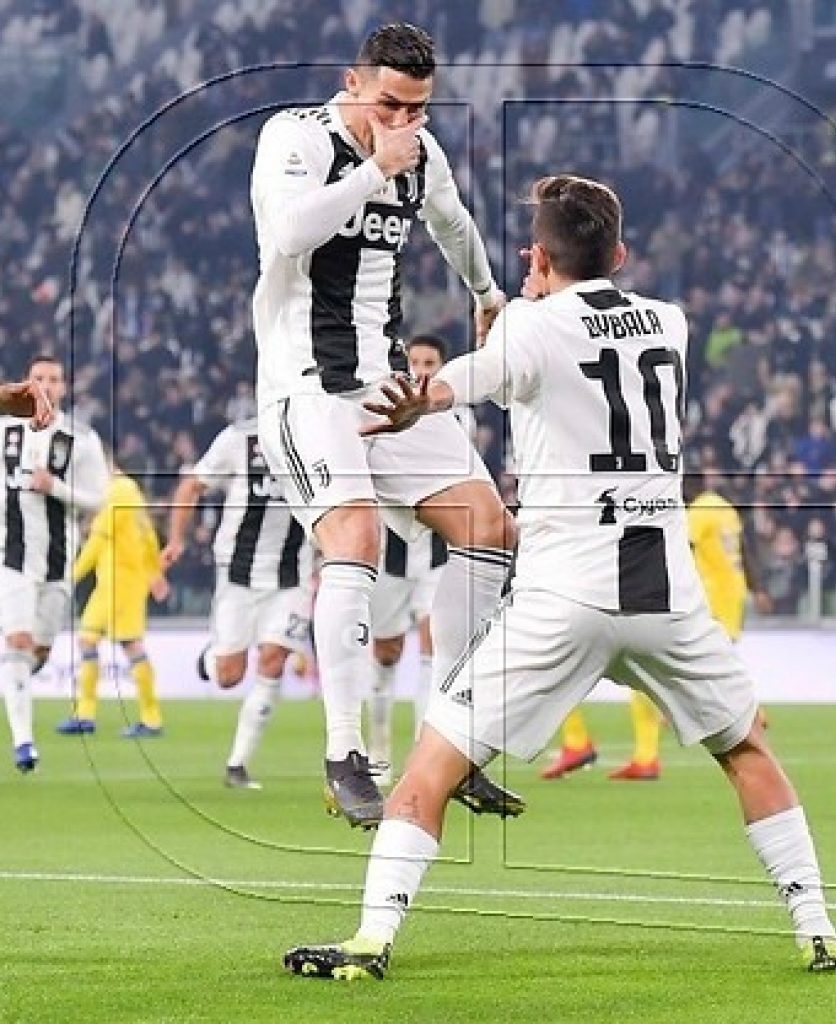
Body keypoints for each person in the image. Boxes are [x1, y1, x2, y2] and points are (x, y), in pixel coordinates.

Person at [282, 174, 836, 979]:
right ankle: (819, 931)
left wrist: (426, 397)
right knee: (748, 750)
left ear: (536, 258)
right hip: (666, 596)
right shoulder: (671, 322)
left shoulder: (530, 326)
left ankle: (370, 941)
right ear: (619, 255)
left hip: (563, 594)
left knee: (428, 770)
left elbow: (471, 376)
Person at [250, 22, 519, 828]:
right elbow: (288, 234)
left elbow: (453, 221)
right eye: (390, 104)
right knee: (356, 538)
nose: (404, 121)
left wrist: (486, 292)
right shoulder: (296, 137)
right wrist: (374, 170)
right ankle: (345, 755)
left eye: (418, 108)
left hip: (383, 385)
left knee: (488, 526)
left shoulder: (420, 153)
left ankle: (451, 736)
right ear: (354, 82)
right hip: (305, 386)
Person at [543, 471, 769, 781]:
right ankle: (650, 745)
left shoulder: (699, 512)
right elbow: (743, 550)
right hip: (731, 597)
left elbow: (676, 552)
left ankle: (634, 749)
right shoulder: (721, 506)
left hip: (708, 599)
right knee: (689, 669)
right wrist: (757, 588)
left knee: (627, 670)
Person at [160, 417, 314, 789]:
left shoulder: (317, 434)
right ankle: (210, 657)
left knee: (273, 659)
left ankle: (238, 764)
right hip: (238, 572)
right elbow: (191, 485)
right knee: (229, 676)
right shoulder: (238, 438)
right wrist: (176, 539)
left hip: (293, 575)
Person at [367, 334, 471, 784]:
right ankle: (378, 747)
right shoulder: (379, 407)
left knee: (435, 644)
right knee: (386, 651)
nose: (423, 370)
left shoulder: (458, 417)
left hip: (436, 553)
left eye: (431, 363)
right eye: (416, 362)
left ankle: (420, 755)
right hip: (389, 554)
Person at [1, 356, 106, 772]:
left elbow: (99, 499)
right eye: (38, 378)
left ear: (64, 387)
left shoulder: (81, 438)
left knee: (38, 651)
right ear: (27, 382)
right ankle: (24, 744)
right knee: (19, 641)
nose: (45, 385)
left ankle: (13, 682)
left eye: (53, 379)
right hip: (10, 556)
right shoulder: (5, 429)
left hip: (58, 561)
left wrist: (56, 487)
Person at [56, 453, 168, 738]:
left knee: (126, 643)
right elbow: (149, 537)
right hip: (119, 581)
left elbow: (99, 538)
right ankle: (87, 715)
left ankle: (149, 719)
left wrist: (71, 576)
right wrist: (154, 573)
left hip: (120, 581)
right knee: (91, 639)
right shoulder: (132, 493)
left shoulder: (118, 490)